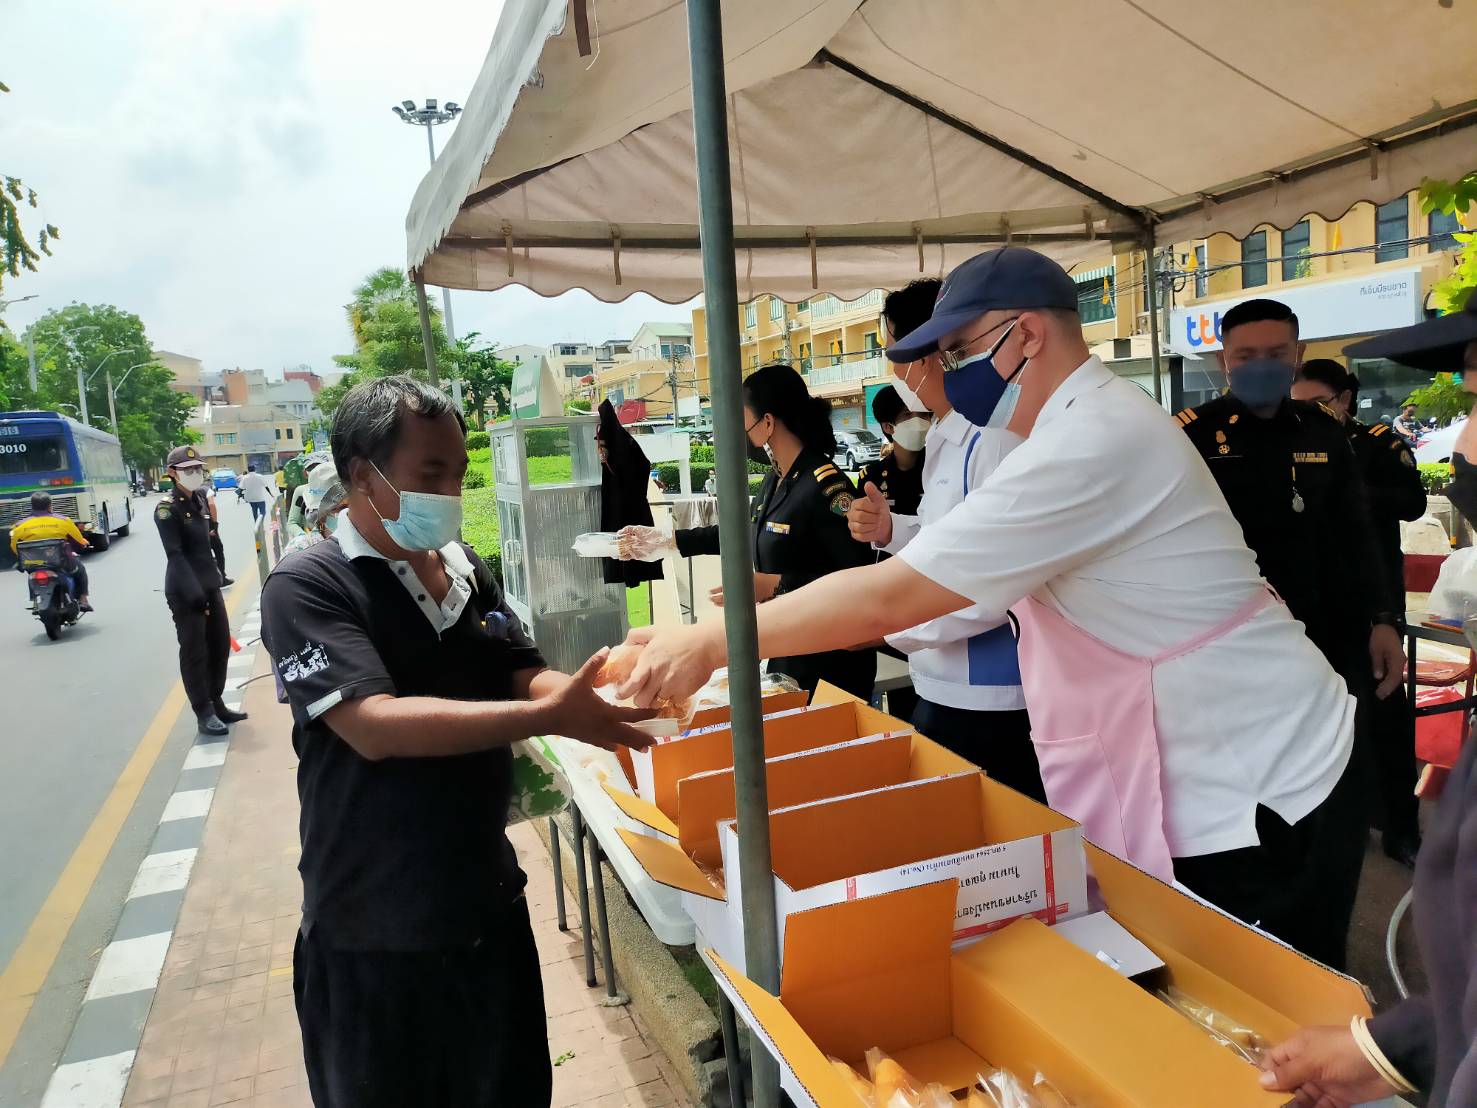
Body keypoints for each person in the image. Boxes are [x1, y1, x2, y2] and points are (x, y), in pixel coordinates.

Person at [615, 247, 1360, 970]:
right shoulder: (1056, 431)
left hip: (1261, 779)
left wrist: (714, 640)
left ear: (1025, 335)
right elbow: (919, 573)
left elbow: (893, 594)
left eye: (960, 349)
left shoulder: (1091, 439)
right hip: (1211, 761)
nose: (943, 372)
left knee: (1268, 1021)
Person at [259, 376, 655, 1108]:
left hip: (483, 907)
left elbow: (516, 668)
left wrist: (586, 694)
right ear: (360, 477)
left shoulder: (464, 568)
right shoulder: (309, 584)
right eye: (430, 475)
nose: (448, 491)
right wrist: (546, 717)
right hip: (375, 932)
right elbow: (371, 726)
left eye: (459, 474)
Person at [1260, 293, 1477, 1108]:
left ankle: (1399, 829)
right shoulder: (1223, 440)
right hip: (1287, 634)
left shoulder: (1360, 444)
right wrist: (1390, 1049)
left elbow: (1386, 516)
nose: (1463, 442)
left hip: (1357, 619)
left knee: (1378, 744)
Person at [850, 280, 1040, 800]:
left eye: (895, 352)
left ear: (929, 352)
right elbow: (951, 542)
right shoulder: (947, 433)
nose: (894, 369)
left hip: (993, 700)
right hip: (941, 684)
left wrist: (890, 627)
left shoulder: (995, 439)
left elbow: (995, 581)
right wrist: (895, 532)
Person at [665, 363, 876, 699]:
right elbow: (746, 533)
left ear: (766, 422)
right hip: (788, 647)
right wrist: (670, 540)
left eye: (743, 417)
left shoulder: (826, 486)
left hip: (830, 663)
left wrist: (774, 584)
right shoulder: (776, 477)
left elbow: (857, 579)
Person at [1293, 357, 1426, 866]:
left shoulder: (1378, 443)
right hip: (1311, 605)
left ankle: (1401, 829)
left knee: (1385, 717)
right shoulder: (1287, 442)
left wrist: (1344, 489)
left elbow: (1412, 502)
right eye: (1299, 404)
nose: (1307, 412)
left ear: (1344, 399)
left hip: (1373, 605)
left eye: (1317, 403)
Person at [156, 445, 242, 737]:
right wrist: (195, 595)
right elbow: (175, 555)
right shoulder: (167, 508)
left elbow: (208, 544)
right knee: (195, 652)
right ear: (172, 473)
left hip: (209, 585)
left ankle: (217, 701)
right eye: (187, 470)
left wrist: (217, 577)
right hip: (185, 590)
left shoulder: (201, 499)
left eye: (197, 469)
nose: (194, 474)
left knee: (219, 646)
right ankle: (203, 711)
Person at [10, 491, 93, 611]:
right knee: (80, 570)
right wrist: (84, 544)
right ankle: (83, 600)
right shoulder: (64, 521)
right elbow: (78, 540)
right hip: (61, 563)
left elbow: (14, 547)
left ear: (32, 506)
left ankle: (34, 600)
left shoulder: (19, 525)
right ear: (50, 506)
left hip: (33, 564)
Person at [859, 384, 928, 518]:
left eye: (924, 414)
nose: (919, 421)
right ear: (888, 427)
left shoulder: (940, 465)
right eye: (907, 414)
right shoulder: (872, 477)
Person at [204, 485, 233, 587]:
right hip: (207, 526)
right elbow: (211, 505)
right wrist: (214, 525)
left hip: (192, 527)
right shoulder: (206, 490)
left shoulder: (184, 490)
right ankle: (221, 578)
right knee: (218, 550)